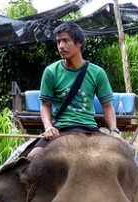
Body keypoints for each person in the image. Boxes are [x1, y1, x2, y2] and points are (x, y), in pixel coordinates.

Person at [27, 21, 123, 160]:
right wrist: (48, 127)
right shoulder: (51, 71)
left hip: (89, 130)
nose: (61, 46)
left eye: (66, 41)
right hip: (60, 130)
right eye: (58, 41)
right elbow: (45, 105)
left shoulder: (97, 73)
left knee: (125, 158)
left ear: (79, 43)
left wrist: (113, 131)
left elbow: (107, 106)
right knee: (32, 157)